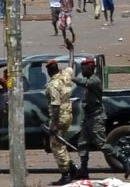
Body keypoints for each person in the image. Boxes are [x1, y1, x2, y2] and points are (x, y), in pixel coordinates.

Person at [72, 57, 130, 180]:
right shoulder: (89, 79)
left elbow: (83, 82)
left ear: (90, 68)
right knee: (82, 144)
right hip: (89, 118)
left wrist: (71, 78)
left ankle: (124, 160)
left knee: (101, 144)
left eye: (83, 68)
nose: (82, 71)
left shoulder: (94, 81)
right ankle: (84, 170)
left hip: (96, 118)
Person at [45, 39, 76, 185]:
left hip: (59, 117)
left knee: (57, 145)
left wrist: (54, 124)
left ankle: (66, 174)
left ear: (49, 71)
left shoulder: (53, 84)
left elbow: (55, 105)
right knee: (61, 143)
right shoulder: (65, 76)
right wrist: (71, 51)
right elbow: (71, 65)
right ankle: (72, 168)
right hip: (69, 114)